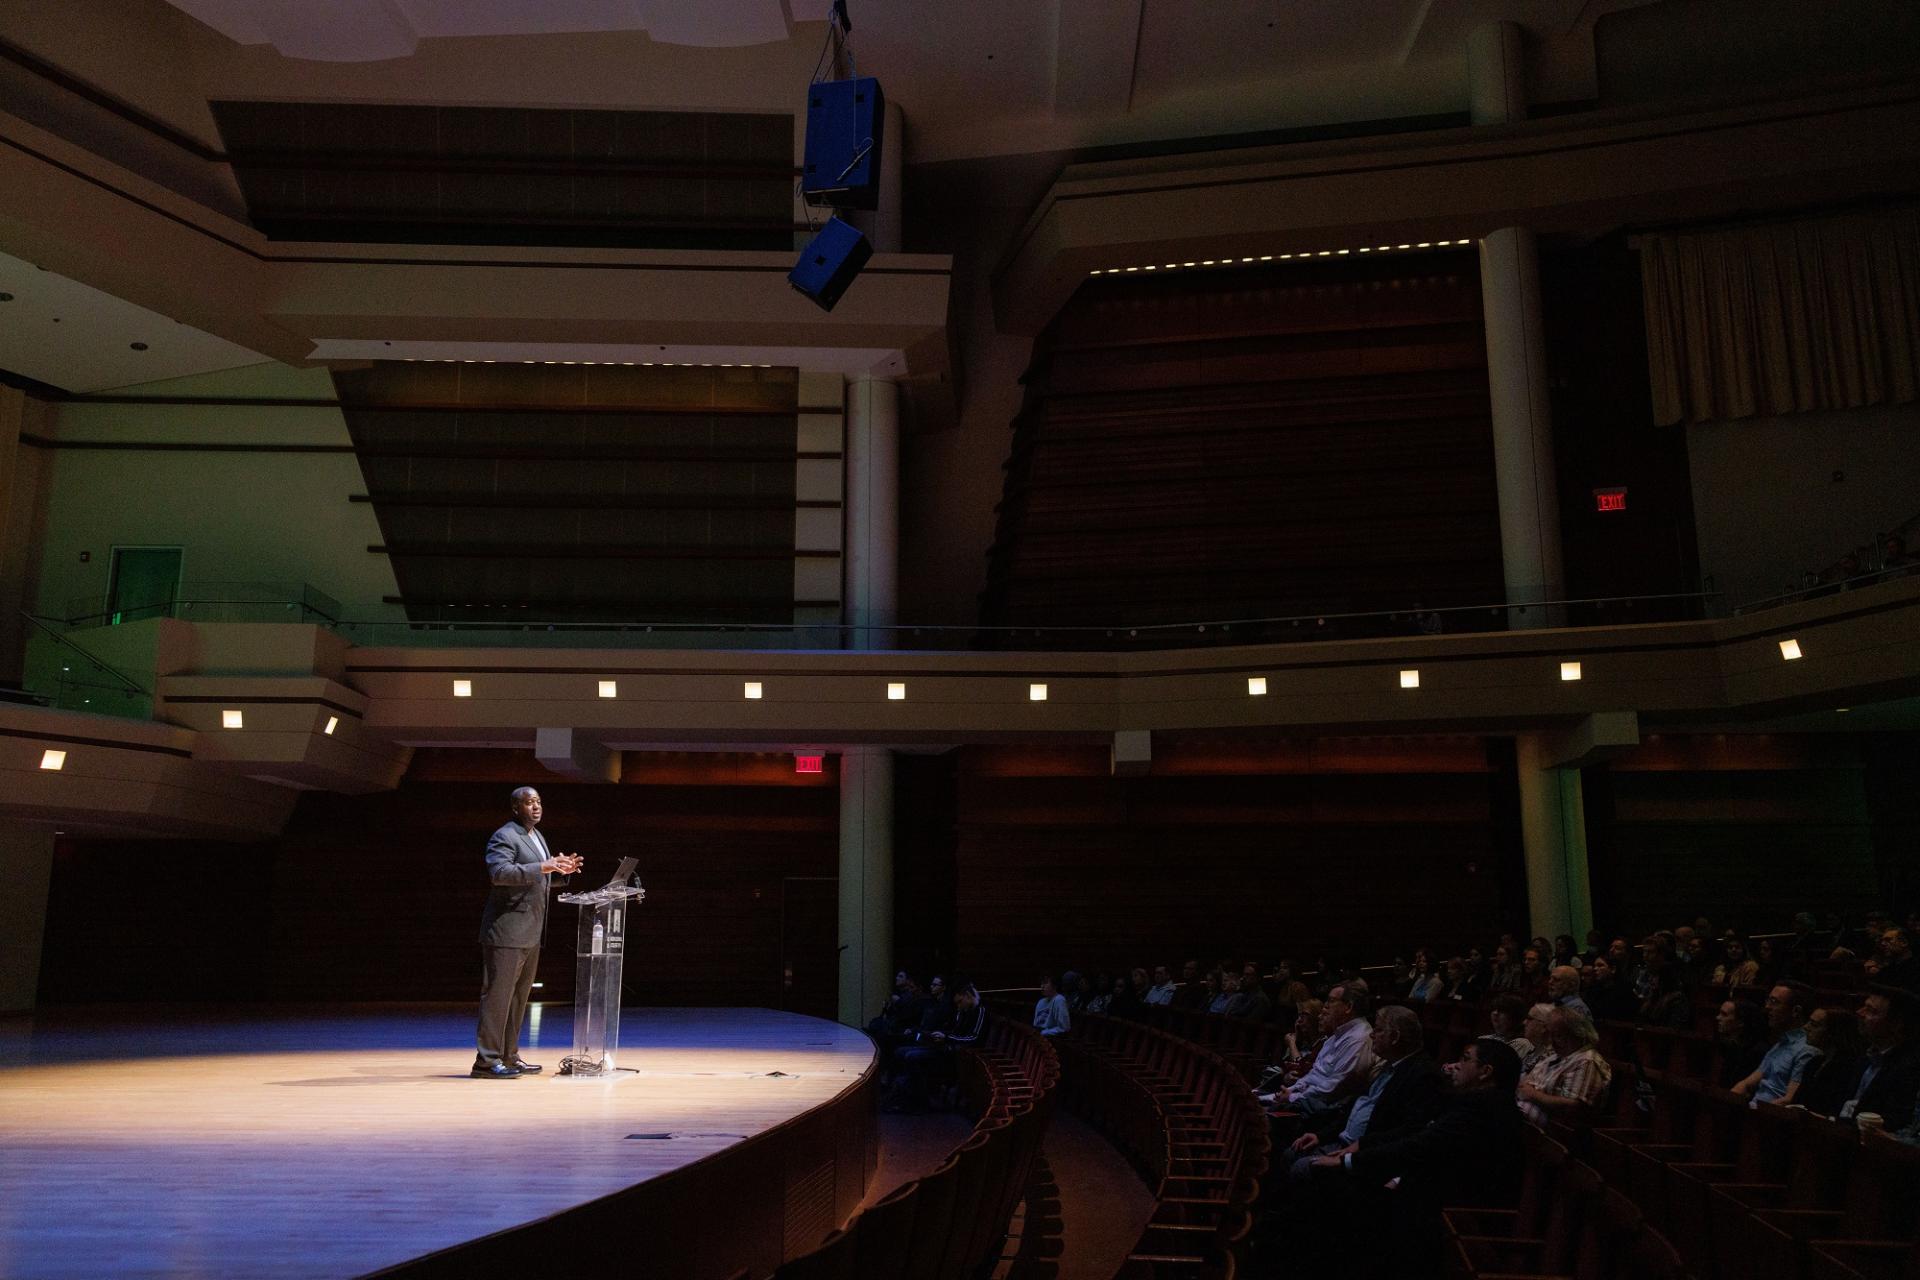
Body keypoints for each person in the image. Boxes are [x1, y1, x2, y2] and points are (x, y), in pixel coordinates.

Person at [473, 786, 581, 1079]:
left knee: (518, 998)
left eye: (539, 802)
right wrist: (542, 866)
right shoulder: (505, 836)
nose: (536, 807)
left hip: (529, 932)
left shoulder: (537, 836)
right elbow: (499, 874)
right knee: (498, 998)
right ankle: (486, 1061)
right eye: (529, 802)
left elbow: (535, 878)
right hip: (506, 931)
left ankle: (509, 1056)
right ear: (515, 808)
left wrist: (559, 872)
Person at [1284, 1006, 1445, 1178]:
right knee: (1292, 1151)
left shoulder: (1423, 1074)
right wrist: (1320, 1136)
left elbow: (1408, 1131)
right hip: (1346, 1142)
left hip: (1370, 1155)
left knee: (1302, 1167)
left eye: (1378, 1029)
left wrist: (1358, 1149)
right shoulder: (1390, 1064)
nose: (1371, 1035)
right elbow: (1357, 1107)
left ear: (1395, 1037)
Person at [1263, 980, 1375, 1115]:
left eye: (1331, 1001)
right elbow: (1314, 1075)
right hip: (1303, 1098)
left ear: (1349, 1007)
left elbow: (1335, 1087)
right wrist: (1292, 1090)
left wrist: (1292, 1097)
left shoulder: (1359, 1038)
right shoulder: (1336, 1036)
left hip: (1321, 1111)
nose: (1325, 1006)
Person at [1829, 988, 1920, 1131]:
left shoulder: (1910, 1069)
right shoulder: (1863, 1058)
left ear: (1896, 1024)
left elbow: (1894, 1124)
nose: (1860, 1013)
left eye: (1871, 1011)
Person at [1516, 1007, 1612, 1126]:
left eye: (1558, 1036)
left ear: (1577, 1034)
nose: (1551, 1041)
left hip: (1556, 1129)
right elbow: (1526, 1083)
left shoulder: (1586, 1060)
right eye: (1551, 1034)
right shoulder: (1554, 1054)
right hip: (1527, 1114)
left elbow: (1574, 1107)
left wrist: (1534, 1094)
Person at [1732, 982, 1821, 1105]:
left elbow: (1788, 1101)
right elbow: (1746, 1084)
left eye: (1774, 1002)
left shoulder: (1806, 1050)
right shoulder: (1780, 1044)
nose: (1767, 1007)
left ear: (1796, 1011)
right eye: (1768, 1000)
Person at [1797, 1007, 1869, 1117]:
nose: (1806, 1027)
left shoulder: (1848, 1068)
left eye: (1814, 1025)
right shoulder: (1814, 1062)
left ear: (1832, 1032)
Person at [1714, 999, 1770, 1088]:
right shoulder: (1732, 1046)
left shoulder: (1757, 1052)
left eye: (1724, 1014)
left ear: (1740, 1022)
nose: (1718, 1017)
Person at [1488, 995, 1533, 1061]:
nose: (1495, 1013)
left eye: (1502, 1010)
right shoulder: (1486, 1039)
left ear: (1515, 1016)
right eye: (1493, 1009)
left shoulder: (1522, 1044)